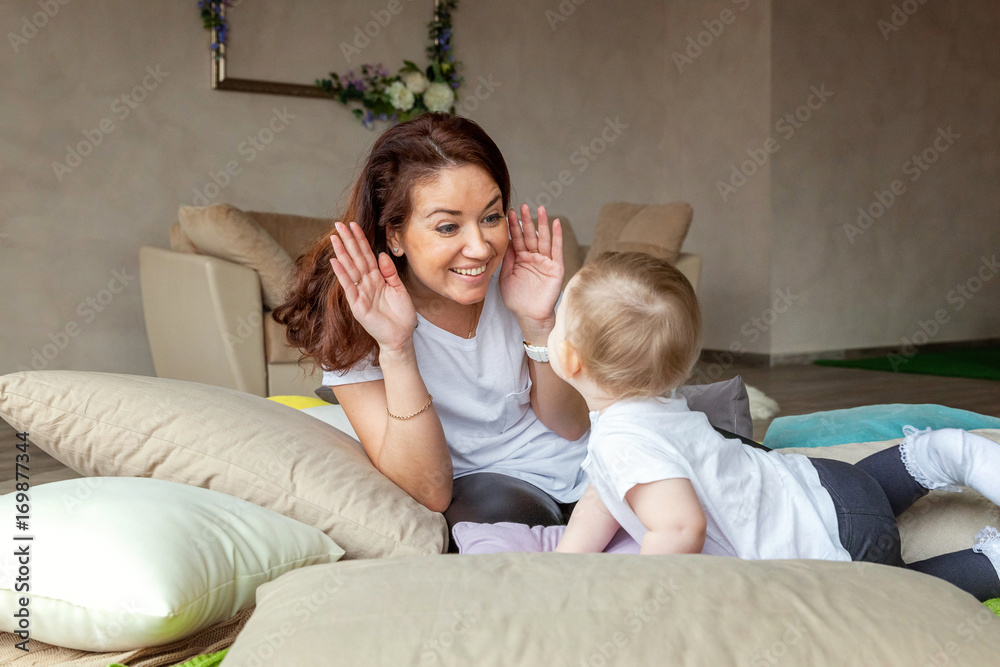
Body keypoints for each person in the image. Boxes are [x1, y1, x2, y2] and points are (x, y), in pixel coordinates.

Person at [550, 250, 1000, 602]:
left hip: (838, 547)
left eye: (555, 322)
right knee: (874, 489)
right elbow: (604, 494)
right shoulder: (657, 405)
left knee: (901, 596)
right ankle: (940, 454)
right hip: (832, 482)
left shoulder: (621, 441)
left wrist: (633, 594)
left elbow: (682, 528)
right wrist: (564, 565)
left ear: (569, 358)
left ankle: (991, 563)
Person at [272, 112, 593, 551]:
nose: (480, 248)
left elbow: (573, 426)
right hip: (493, 492)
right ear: (396, 236)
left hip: (590, 466)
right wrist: (397, 347)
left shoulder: (519, 285)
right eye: (448, 226)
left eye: (491, 217)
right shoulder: (356, 320)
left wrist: (539, 323)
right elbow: (430, 490)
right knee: (490, 531)